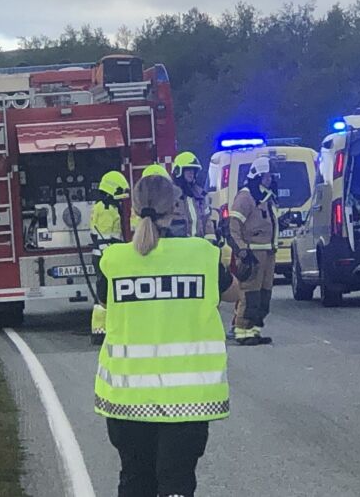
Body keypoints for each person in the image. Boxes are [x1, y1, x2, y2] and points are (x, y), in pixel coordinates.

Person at [96, 173, 237, 497]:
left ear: (132, 209)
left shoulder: (114, 261)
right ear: (175, 208)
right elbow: (234, 293)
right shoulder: (201, 255)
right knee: (177, 482)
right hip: (188, 400)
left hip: (126, 398)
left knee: (135, 480)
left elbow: (106, 300)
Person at [228, 156, 279, 346]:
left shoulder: (266, 197)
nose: (270, 179)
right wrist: (242, 251)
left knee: (264, 294)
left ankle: (255, 330)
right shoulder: (246, 197)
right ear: (258, 175)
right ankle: (242, 331)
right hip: (252, 254)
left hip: (268, 252)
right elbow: (233, 226)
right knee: (250, 294)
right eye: (267, 176)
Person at [89, 170, 130, 345]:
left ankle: (105, 329)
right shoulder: (105, 210)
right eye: (119, 193)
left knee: (107, 293)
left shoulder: (106, 207)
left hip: (105, 256)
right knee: (105, 295)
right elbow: (106, 238)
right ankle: (101, 331)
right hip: (106, 257)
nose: (121, 198)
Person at [170, 151, 217, 243]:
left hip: (198, 246)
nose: (192, 174)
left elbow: (207, 221)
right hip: (179, 247)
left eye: (193, 171)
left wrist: (211, 241)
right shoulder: (170, 196)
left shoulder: (200, 195)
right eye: (188, 170)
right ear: (178, 171)